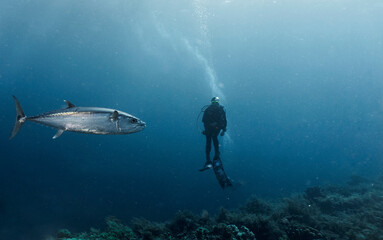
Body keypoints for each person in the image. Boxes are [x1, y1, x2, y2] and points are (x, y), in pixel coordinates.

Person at [200, 97, 227, 171]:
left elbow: (204, 121)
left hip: (209, 128)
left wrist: (205, 130)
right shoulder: (221, 109)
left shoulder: (208, 109)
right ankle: (216, 156)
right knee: (214, 139)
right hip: (217, 128)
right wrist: (223, 130)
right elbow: (224, 120)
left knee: (208, 142)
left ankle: (208, 160)